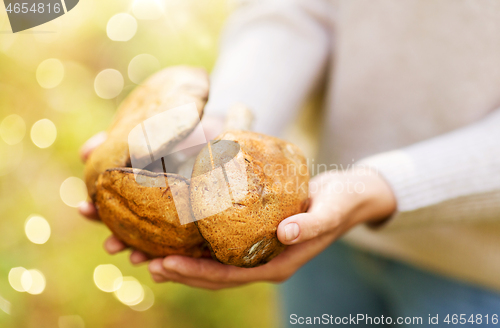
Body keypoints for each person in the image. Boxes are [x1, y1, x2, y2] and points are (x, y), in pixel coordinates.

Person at [80, 0, 500, 326]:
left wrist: (385, 186)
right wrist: (230, 120)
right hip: (307, 221)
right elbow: (295, 7)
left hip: (476, 272)